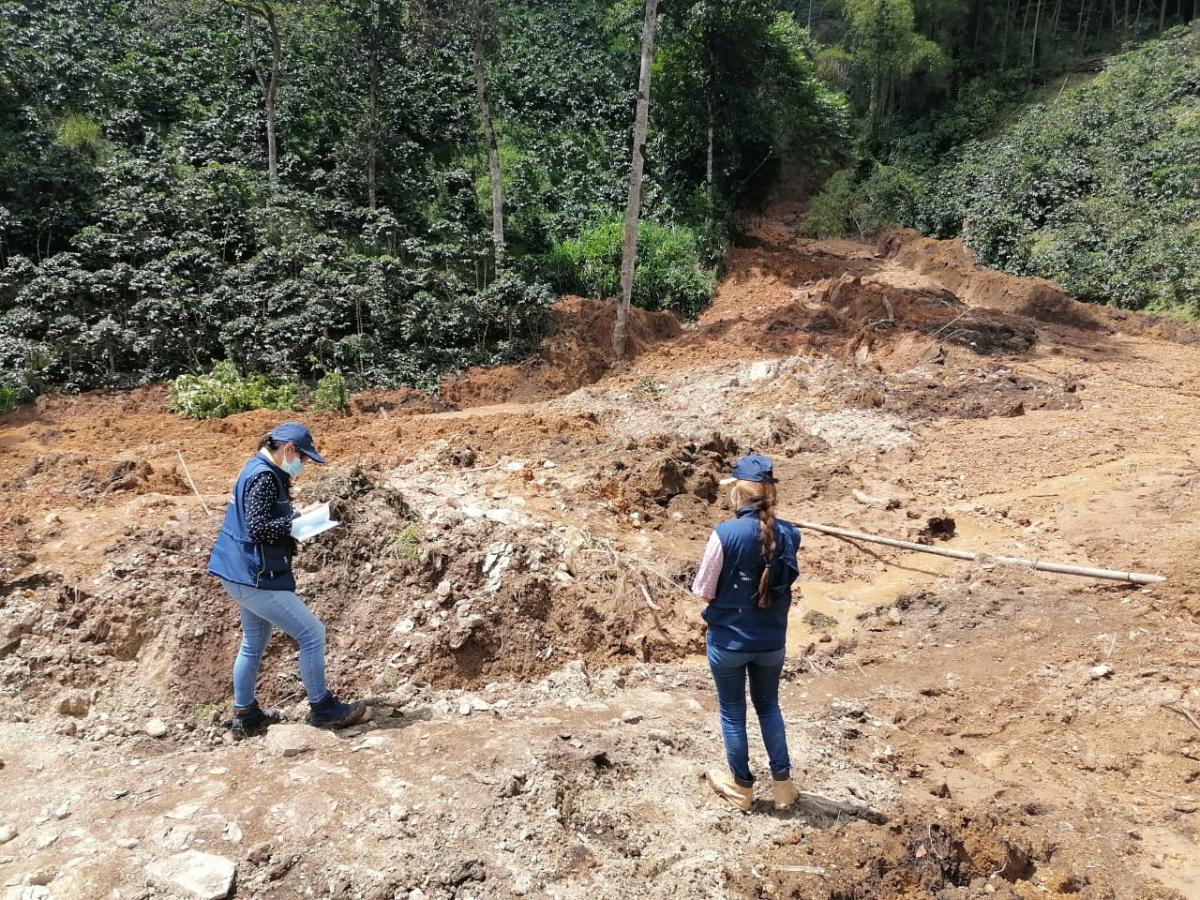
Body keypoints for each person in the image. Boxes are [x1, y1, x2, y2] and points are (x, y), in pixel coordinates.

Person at [208, 421, 366, 738]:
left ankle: (246, 715)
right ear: (289, 450)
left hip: (238, 570)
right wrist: (297, 521)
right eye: (303, 458)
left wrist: (291, 518)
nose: (302, 465)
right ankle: (323, 709)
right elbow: (258, 528)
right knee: (311, 633)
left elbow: (259, 520)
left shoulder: (255, 467)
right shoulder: (265, 476)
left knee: (254, 643)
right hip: (252, 574)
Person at [691, 454, 801, 812]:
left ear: (738, 493)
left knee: (733, 711)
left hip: (729, 642)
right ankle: (783, 786)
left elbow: (704, 589)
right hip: (771, 641)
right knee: (769, 706)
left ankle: (741, 788)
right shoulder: (790, 534)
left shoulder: (724, 534)